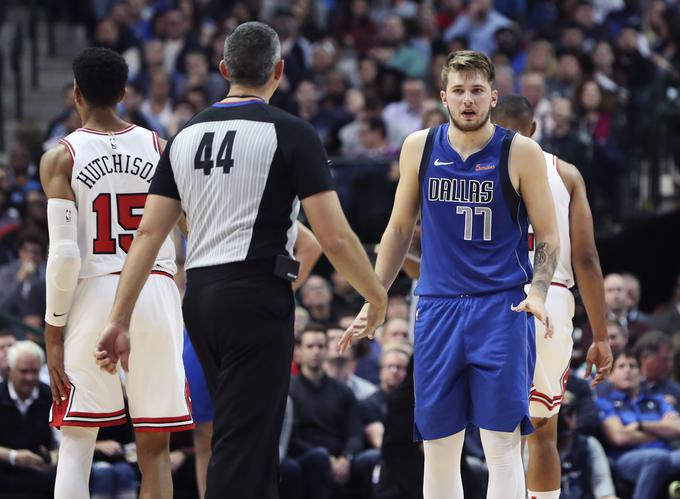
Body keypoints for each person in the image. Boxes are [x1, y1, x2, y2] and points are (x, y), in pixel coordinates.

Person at [95, 21, 387, 499]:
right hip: (256, 294)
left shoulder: (185, 135)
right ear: (279, 71)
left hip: (202, 299)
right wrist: (375, 295)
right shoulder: (291, 132)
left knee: (236, 435)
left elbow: (149, 232)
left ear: (224, 69)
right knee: (245, 442)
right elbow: (332, 236)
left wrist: (118, 317)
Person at [341, 50, 560, 499]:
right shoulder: (419, 146)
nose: (468, 100)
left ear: (493, 96)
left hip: (501, 306)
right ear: (443, 97)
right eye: (458, 91)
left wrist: (538, 291)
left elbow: (550, 235)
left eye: (477, 90)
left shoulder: (521, 151)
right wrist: (373, 296)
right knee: (440, 446)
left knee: (500, 445)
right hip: (438, 307)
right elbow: (399, 229)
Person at [39, 47, 194, 499]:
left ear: (76, 94)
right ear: (125, 93)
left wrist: (53, 333)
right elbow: (192, 231)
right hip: (156, 289)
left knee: (77, 439)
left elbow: (65, 255)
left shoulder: (61, 157)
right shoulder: (160, 148)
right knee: (155, 445)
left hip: (92, 294)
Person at [490, 95, 613, 499]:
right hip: (553, 299)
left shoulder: (475, 167)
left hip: (492, 297)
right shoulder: (567, 174)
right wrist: (601, 336)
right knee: (543, 429)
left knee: (497, 431)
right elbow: (588, 260)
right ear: (534, 130)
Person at [0, 341, 56, 497]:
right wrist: (14, 457)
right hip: (4, 472)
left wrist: (53, 458)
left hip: (40, 473)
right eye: (24, 371)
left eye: (35, 371)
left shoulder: (50, 396)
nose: (30, 377)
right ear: (10, 370)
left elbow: (61, 442)